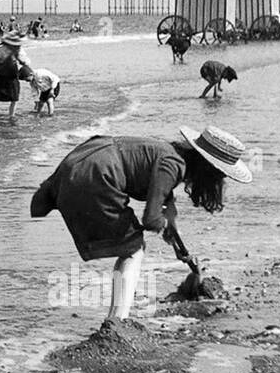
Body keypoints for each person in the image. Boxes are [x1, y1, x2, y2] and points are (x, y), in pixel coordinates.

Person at [31, 126, 252, 321]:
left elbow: (164, 201)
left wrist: (176, 239)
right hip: (98, 175)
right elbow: (151, 218)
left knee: (130, 244)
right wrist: (162, 225)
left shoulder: (166, 152)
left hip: (77, 163)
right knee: (134, 249)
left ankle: (116, 317)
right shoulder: (173, 164)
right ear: (208, 168)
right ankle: (118, 320)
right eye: (220, 176)